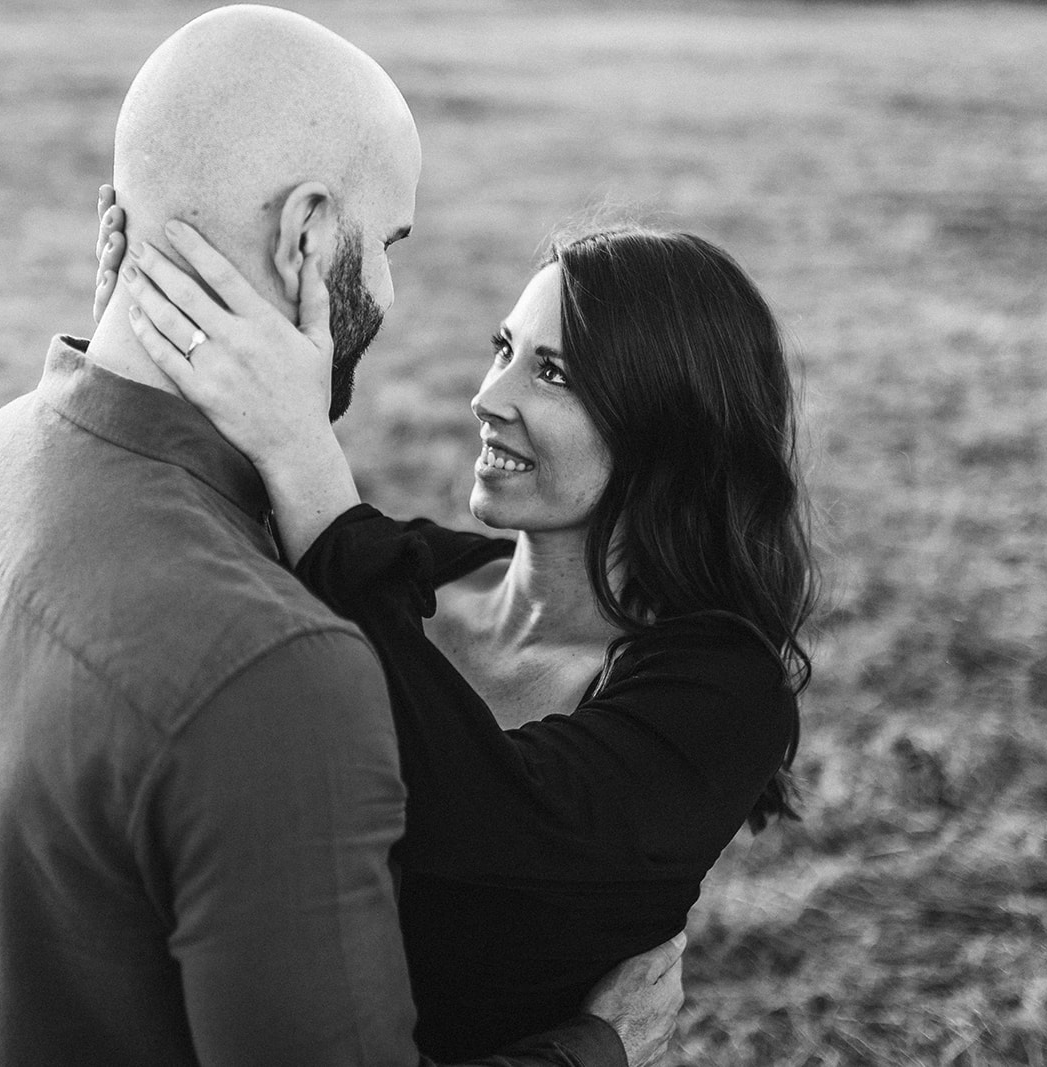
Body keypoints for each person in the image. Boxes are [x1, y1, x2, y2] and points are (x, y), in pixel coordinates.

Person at [0, 6, 683, 1066]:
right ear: (306, 232)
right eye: (386, 243)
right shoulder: (273, 672)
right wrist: (597, 1044)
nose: (387, 291)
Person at [92, 191, 817, 1058]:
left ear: (671, 427)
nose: (486, 397)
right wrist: (143, 357)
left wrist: (306, 460)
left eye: (554, 374)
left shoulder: (721, 695)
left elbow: (480, 824)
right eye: (505, 351)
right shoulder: (422, 578)